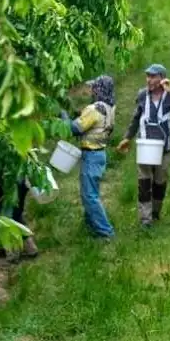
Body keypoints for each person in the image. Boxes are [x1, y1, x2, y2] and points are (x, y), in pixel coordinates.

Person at [117, 64, 170, 228]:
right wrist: (127, 137)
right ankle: (145, 218)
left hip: (164, 148)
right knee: (144, 181)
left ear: (162, 78)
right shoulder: (142, 95)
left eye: (153, 77)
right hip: (145, 146)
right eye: (148, 76)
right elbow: (137, 118)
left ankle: (156, 211)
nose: (149, 80)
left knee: (160, 181)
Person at [68, 75, 117, 240]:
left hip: (91, 155)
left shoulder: (94, 109)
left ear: (99, 89)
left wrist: (63, 118)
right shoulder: (109, 107)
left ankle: (106, 232)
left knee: (90, 196)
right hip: (100, 155)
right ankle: (91, 226)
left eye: (94, 87)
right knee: (90, 192)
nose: (92, 90)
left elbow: (75, 128)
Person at [0, 176, 37, 260]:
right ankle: (29, 248)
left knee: (8, 215)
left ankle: (12, 252)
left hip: (12, 181)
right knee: (11, 214)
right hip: (17, 180)